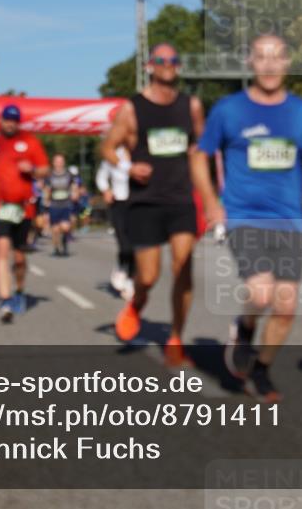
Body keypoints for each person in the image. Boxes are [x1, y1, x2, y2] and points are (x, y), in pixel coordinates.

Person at [191, 34, 302, 402]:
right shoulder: (229, 110)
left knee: (286, 307)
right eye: (261, 57)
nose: (269, 65)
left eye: (276, 57)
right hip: (244, 216)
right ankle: (245, 326)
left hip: (288, 221)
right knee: (261, 292)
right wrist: (210, 202)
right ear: (250, 62)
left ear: (287, 62)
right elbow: (199, 156)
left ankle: (262, 368)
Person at [101, 43, 205, 366]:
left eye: (174, 59)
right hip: (145, 201)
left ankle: (175, 337)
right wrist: (128, 167)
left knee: (183, 268)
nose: (168, 64)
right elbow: (108, 147)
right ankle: (136, 304)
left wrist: (208, 192)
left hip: (181, 199)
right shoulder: (132, 108)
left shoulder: (191, 106)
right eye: (161, 59)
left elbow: (201, 147)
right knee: (148, 276)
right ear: (149, 66)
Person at [0, 104, 49, 324]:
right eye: (7, 120)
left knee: (19, 257)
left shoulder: (30, 142)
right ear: (0, 121)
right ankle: (5, 300)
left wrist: (32, 170)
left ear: (19, 122)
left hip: (23, 208)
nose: (10, 123)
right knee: (1, 251)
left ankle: (19, 290)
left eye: (14, 120)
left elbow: (44, 169)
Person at [96, 144, 133, 299]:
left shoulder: (143, 151)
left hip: (139, 204)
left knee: (137, 245)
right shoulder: (113, 154)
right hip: (118, 202)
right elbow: (101, 177)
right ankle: (122, 268)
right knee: (124, 243)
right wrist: (106, 190)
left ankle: (130, 279)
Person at [44, 154, 76, 256]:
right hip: (54, 205)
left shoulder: (69, 174)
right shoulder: (50, 175)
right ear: (53, 163)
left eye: (61, 161)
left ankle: (64, 243)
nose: (59, 163)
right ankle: (56, 248)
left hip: (66, 204)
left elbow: (74, 186)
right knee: (55, 230)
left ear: (64, 162)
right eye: (57, 161)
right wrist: (46, 202)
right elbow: (47, 189)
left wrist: (74, 193)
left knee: (65, 227)